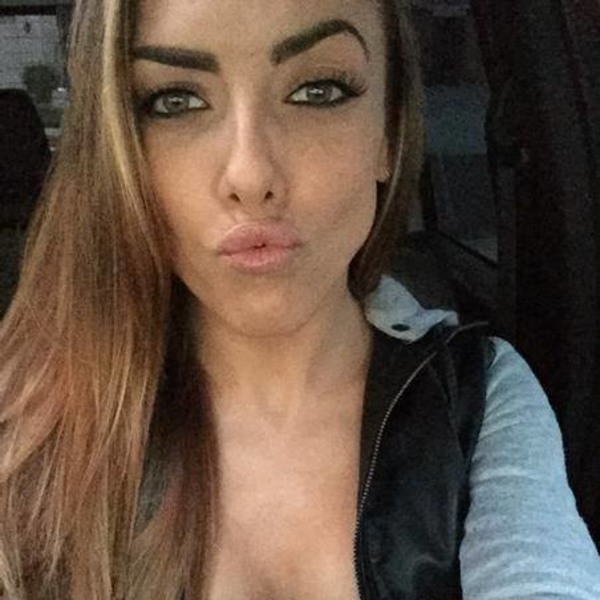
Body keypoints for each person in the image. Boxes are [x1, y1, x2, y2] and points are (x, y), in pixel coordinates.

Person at [0, 0, 598, 598]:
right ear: (118, 152)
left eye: (318, 91)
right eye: (174, 101)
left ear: (389, 133)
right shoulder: (27, 423)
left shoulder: (477, 394)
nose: (251, 176)